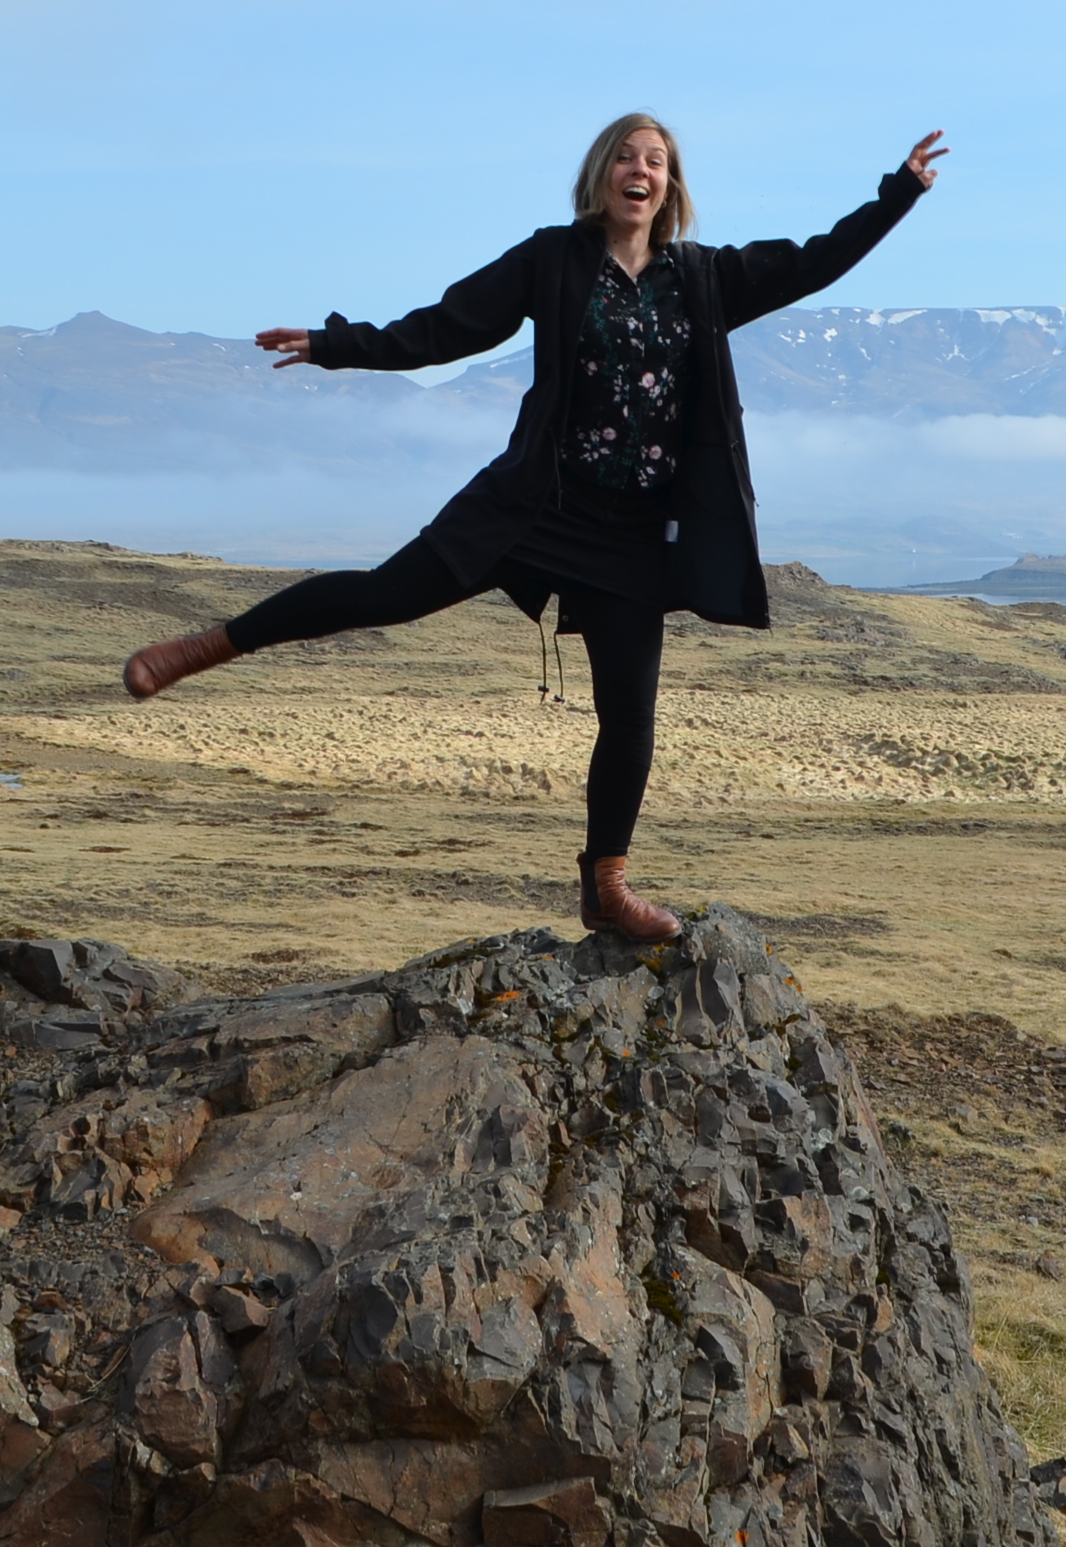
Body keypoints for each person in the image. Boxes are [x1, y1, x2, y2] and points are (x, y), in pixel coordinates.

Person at [120, 115, 948, 941]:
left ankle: (606, 885)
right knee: (385, 594)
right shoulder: (551, 258)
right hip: (536, 505)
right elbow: (446, 327)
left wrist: (899, 190)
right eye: (625, 156)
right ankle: (206, 648)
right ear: (601, 176)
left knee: (630, 715)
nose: (640, 169)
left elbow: (818, 259)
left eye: (656, 161)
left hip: (633, 532)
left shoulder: (704, 277)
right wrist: (337, 347)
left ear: (672, 186)